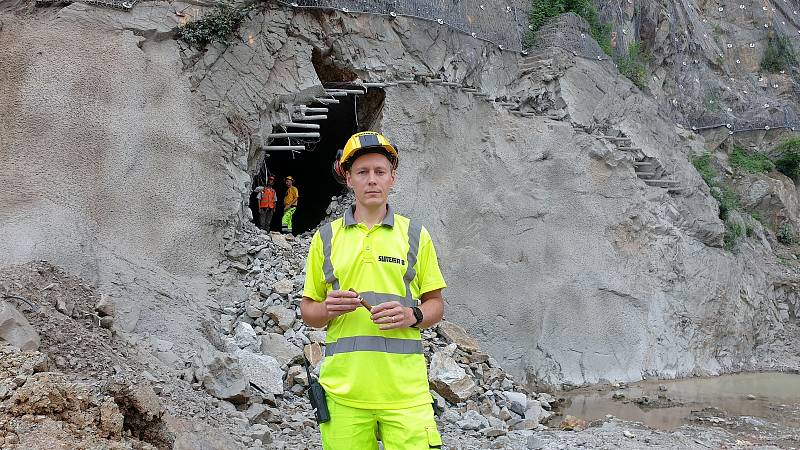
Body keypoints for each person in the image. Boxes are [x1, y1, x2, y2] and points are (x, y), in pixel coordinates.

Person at [300, 131, 446, 449]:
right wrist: (327, 309)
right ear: (348, 178)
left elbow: (436, 304)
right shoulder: (325, 239)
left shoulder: (416, 236)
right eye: (362, 172)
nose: (372, 180)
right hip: (344, 396)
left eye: (380, 172)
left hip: (407, 395)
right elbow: (308, 310)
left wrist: (413, 314)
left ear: (392, 178)